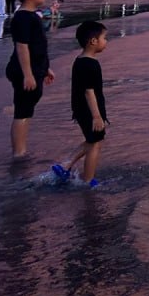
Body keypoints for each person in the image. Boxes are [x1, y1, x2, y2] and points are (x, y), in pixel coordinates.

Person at [53, 21, 109, 187]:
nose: (106, 42)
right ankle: (88, 180)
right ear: (93, 41)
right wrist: (97, 116)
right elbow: (88, 91)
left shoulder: (81, 60)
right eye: (104, 38)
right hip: (89, 110)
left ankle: (66, 165)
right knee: (95, 145)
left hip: (83, 108)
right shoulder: (89, 64)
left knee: (93, 141)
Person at [5, 0, 54, 157]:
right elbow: (22, 47)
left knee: (27, 111)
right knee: (22, 112)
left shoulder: (32, 16)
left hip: (35, 69)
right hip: (24, 70)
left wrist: (45, 68)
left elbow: (37, 46)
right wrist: (28, 74)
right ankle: (19, 152)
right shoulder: (23, 18)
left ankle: (21, 149)